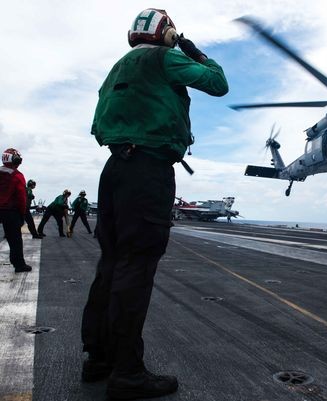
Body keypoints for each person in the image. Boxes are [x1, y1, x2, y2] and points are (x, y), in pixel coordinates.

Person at [81, 8, 228, 400]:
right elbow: (218, 84)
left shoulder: (119, 66)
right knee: (136, 266)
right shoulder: (166, 56)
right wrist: (194, 51)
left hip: (114, 168)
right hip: (147, 170)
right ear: (166, 34)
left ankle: (99, 359)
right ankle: (128, 373)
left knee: (111, 263)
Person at [0, 148, 32, 273]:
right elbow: (21, 198)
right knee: (15, 240)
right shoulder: (17, 176)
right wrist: (22, 214)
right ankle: (19, 265)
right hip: (10, 211)